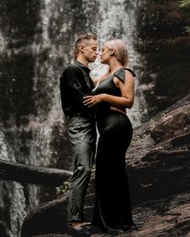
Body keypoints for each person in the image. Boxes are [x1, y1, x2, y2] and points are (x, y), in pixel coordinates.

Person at [83, 39, 137, 235]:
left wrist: (103, 97)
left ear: (113, 52)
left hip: (117, 125)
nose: (100, 53)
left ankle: (111, 223)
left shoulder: (125, 73)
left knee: (108, 172)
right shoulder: (104, 76)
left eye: (103, 50)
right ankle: (113, 221)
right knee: (111, 172)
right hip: (106, 126)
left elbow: (128, 101)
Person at [60, 34, 98, 235]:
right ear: (81, 48)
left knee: (86, 168)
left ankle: (79, 220)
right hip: (80, 123)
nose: (97, 52)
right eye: (93, 48)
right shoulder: (73, 69)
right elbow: (82, 99)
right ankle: (74, 223)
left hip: (88, 123)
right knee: (83, 168)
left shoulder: (84, 71)